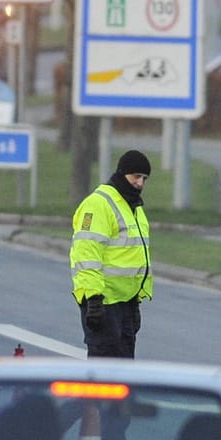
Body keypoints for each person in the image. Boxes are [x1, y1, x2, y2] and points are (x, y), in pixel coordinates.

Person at [71, 149, 154, 358]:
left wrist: (136, 299)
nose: (140, 183)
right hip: (102, 302)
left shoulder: (134, 207)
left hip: (126, 302)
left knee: (123, 374)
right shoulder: (98, 204)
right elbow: (87, 254)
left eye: (144, 179)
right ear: (122, 173)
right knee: (103, 373)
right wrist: (93, 298)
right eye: (136, 177)